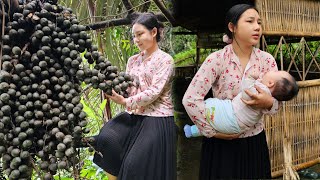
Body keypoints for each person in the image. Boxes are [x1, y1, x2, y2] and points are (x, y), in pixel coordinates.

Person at [182, 3, 283, 179]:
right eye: (250, 21)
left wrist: (269, 103)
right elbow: (190, 99)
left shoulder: (266, 61)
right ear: (232, 27)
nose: (257, 27)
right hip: (221, 145)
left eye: (259, 22)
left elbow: (277, 103)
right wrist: (212, 132)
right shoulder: (217, 60)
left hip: (254, 142)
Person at [92, 12, 177, 180]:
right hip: (135, 114)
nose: (136, 40)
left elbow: (154, 92)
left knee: (133, 165)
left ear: (153, 32)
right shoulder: (132, 60)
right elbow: (130, 87)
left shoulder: (165, 60)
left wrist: (125, 101)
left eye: (140, 34)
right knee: (106, 138)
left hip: (157, 117)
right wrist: (114, 87)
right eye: (134, 36)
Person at [184, 70, 299, 137]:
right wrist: (269, 103)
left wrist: (249, 77)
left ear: (270, 83)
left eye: (275, 71)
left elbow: (247, 93)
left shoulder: (261, 89)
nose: (270, 70)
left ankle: (195, 130)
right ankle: (193, 131)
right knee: (215, 122)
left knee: (211, 104)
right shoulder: (270, 94)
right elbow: (275, 108)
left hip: (232, 117)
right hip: (238, 127)